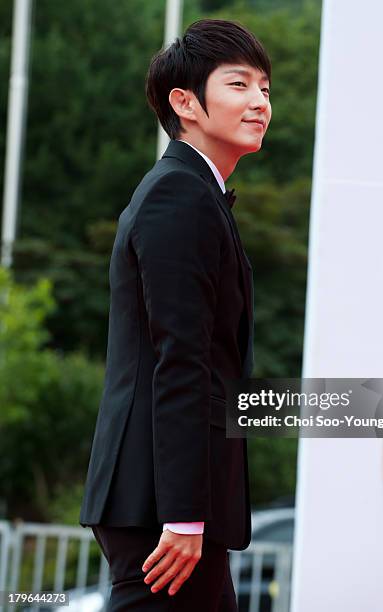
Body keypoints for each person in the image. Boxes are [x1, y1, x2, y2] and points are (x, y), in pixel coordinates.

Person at [78, 18, 272, 611]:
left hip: (177, 503)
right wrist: (184, 514)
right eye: (239, 85)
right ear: (184, 103)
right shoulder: (178, 195)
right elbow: (179, 359)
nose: (260, 102)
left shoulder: (200, 194)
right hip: (163, 509)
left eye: (265, 88)